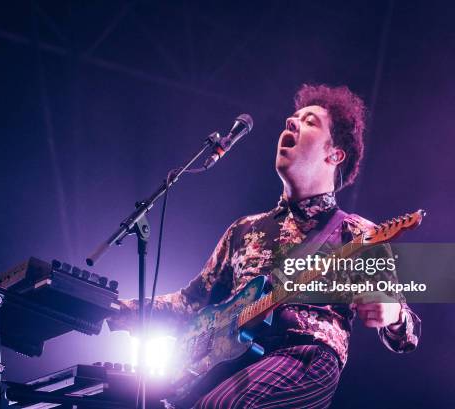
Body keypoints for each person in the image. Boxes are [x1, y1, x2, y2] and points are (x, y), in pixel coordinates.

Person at [112, 84, 421, 409]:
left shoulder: (356, 232)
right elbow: (188, 303)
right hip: (232, 364)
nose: (290, 122)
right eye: (293, 118)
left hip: (304, 356)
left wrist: (394, 314)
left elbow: (405, 332)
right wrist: (115, 309)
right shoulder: (243, 230)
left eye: (310, 122)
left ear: (335, 154)